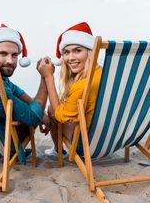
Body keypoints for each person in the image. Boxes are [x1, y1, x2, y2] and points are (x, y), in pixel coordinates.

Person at [37, 22, 102, 157]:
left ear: (90, 52)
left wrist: (48, 77)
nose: (71, 58)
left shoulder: (81, 86)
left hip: (86, 144)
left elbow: (60, 115)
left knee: (51, 109)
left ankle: (57, 149)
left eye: (77, 50)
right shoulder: (104, 75)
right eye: (66, 52)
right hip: (111, 139)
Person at [0, 24, 51, 153]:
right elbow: (33, 117)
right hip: (0, 146)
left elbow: (22, 95)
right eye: (3, 53)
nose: (9, 60)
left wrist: (43, 115)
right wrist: (45, 78)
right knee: (30, 116)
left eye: (14, 55)